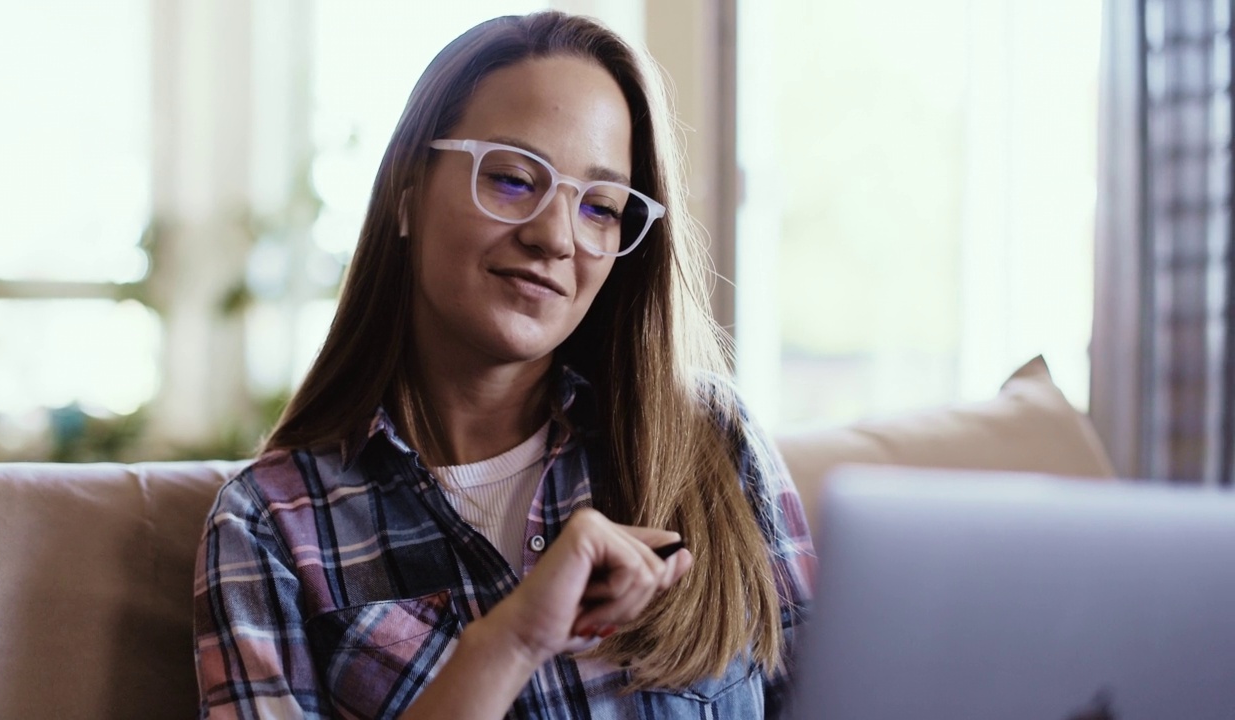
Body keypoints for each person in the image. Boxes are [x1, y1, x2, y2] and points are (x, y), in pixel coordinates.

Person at [193, 10, 815, 719]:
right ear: (406, 193)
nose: (555, 236)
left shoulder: (710, 440)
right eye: (515, 179)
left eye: (601, 207)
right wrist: (510, 642)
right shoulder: (272, 525)